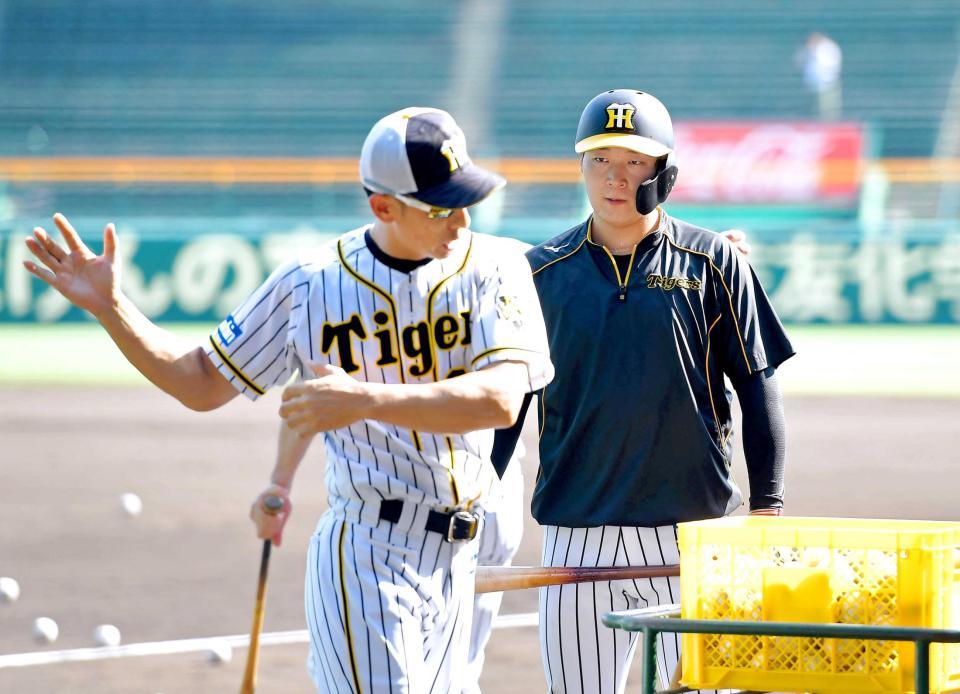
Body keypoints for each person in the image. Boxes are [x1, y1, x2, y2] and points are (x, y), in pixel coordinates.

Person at [23, 106, 554, 693]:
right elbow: (201, 381)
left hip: (463, 558)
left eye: (465, 200)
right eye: (439, 207)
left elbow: (501, 399)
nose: (460, 220)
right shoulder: (311, 284)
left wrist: (365, 400)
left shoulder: (498, 265)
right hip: (369, 554)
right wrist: (112, 309)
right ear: (383, 207)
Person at [493, 89, 795, 693]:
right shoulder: (538, 273)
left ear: (664, 173)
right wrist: (472, 502)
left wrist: (767, 510)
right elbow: (507, 408)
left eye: (633, 161)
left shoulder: (714, 262)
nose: (615, 177)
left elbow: (759, 392)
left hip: (696, 530)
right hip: (579, 534)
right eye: (600, 159)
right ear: (581, 167)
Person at [795, 32, 843, 120]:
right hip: (811, 84)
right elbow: (800, 61)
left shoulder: (828, 48)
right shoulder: (807, 49)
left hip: (828, 83)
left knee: (828, 108)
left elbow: (830, 65)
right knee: (812, 108)